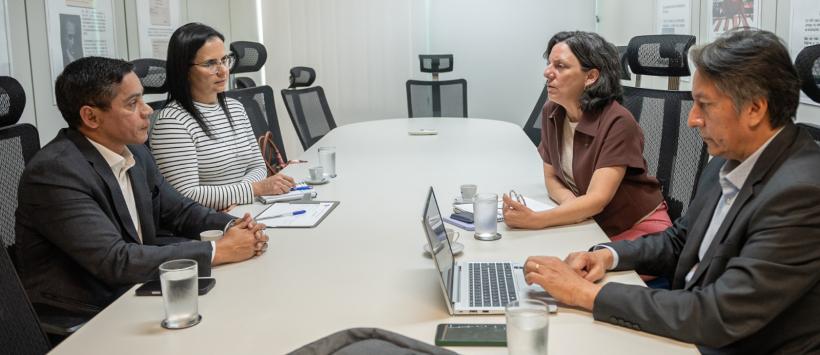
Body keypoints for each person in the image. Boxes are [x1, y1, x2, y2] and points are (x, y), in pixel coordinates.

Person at [523, 29, 820, 354]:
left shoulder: (802, 193)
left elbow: (718, 314)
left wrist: (585, 294)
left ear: (754, 109)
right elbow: (680, 241)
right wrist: (606, 255)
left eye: (704, 105)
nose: (692, 119)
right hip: (690, 326)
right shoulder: (731, 159)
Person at [15, 56, 269, 316]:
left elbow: (179, 210)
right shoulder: (55, 172)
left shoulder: (135, 152)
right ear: (91, 116)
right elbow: (114, 260)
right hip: (89, 310)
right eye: (132, 103)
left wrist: (233, 226)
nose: (147, 110)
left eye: (142, 99)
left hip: (138, 286)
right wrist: (218, 250)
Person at [503, 31, 671, 242]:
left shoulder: (618, 122)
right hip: (590, 223)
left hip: (639, 231)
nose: (547, 72)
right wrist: (570, 205)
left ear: (591, 77)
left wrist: (536, 220)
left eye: (560, 66)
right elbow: (551, 176)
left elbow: (596, 200)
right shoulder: (552, 111)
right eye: (549, 64)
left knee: (557, 268)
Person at [150, 23, 294, 210]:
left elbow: (258, 166)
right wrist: (253, 189)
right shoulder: (171, 122)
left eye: (225, 59)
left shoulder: (236, 108)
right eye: (210, 63)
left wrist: (239, 196)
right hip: (210, 225)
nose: (223, 70)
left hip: (245, 208)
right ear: (184, 70)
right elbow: (185, 195)